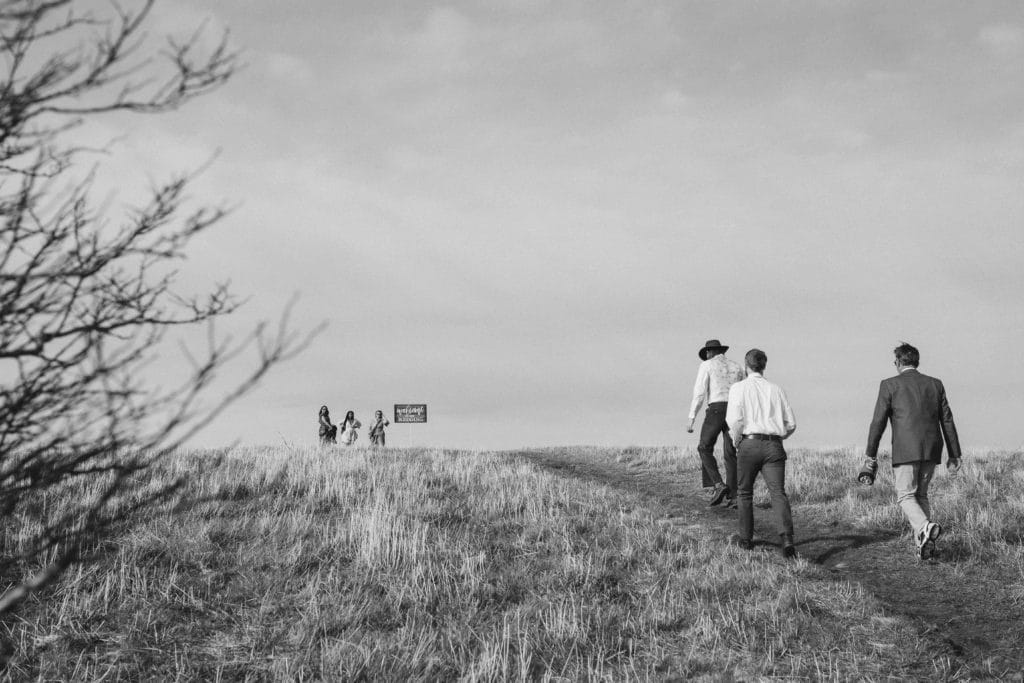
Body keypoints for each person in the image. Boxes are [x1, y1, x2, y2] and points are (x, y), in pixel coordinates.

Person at [864, 342, 962, 560]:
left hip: (905, 449)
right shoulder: (935, 384)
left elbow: (878, 422)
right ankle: (924, 547)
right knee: (921, 495)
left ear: (898, 362)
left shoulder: (889, 385)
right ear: (916, 362)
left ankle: (925, 527)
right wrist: (954, 453)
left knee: (905, 496)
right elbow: (947, 419)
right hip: (932, 449)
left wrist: (870, 454)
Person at [726, 348, 797, 558]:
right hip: (774, 445)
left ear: (746, 366)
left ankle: (746, 539)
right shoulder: (776, 389)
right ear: (764, 365)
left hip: (749, 443)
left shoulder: (738, 388)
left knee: (745, 492)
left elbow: (734, 420)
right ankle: (786, 538)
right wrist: (778, 437)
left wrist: (737, 439)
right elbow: (791, 423)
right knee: (778, 493)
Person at [687, 339, 746, 507]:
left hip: (717, 408)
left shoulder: (707, 365)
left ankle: (718, 485)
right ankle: (735, 496)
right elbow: (743, 391)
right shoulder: (737, 366)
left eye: (706, 352)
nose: (706, 355)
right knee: (731, 452)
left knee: (704, 447)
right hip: (735, 410)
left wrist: (692, 418)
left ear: (711, 352)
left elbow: (699, 392)